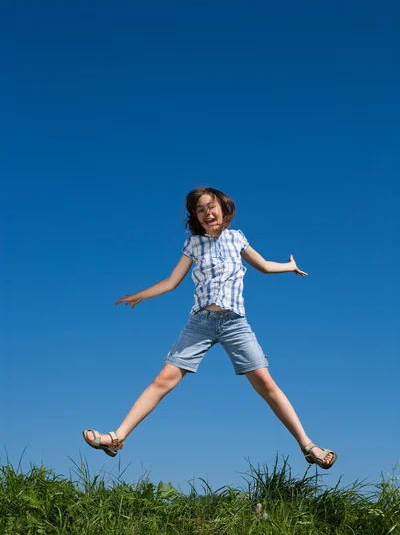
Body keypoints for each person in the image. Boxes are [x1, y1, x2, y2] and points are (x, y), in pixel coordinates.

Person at [83, 187, 337, 469]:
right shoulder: (193, 244)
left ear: (223, 208)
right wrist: (141, 295)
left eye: (212, 206)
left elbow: (263, 265)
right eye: (201, 210)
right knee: (164, 379)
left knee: (266, 383)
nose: (208, 213)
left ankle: (307, 445)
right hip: (200, 322)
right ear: (196, 217)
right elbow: (171, 281)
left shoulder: (236, 238)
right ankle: (117, 437)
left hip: (234, 323)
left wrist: (289, 267)